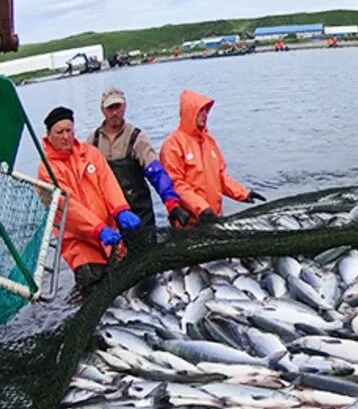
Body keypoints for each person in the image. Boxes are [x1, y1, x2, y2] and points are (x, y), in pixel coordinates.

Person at [36, 106, 142, 290]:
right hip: (79, 243)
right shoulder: (46, 170)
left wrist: (121, 210)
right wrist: (98, 229)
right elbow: (68, 208)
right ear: (48, 135)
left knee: (127, 286)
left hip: (110, 235)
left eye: (69, 130)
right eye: (59, 132)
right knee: (93, 288)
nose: (65, 136)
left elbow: (109, 185)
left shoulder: (90, 153)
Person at [90, 87, 192, 240]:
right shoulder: (92, 142)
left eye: (117, 107)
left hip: (139, 213)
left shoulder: (137, 138)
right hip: (109, 216)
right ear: (102, 110)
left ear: (124, 107)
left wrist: (171, 203)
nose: (114, 112)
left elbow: (156, 172)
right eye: (110, 108)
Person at [159, 89, 264, 224]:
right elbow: (176, 185)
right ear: (190, 112)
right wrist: (201, 209)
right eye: (200, 110)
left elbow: (220, 177)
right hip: (189, 223)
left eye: (206, 110)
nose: (205, 114)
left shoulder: (209, 141)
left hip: (214, 217)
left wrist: (243, 193)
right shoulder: (172, 145)